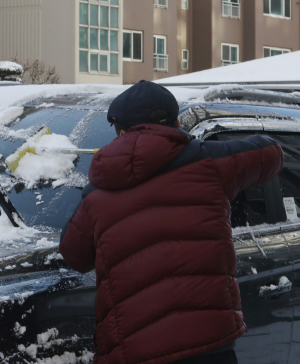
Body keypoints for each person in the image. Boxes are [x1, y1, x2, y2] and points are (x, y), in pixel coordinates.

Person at [59, 81, 284, 364]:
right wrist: (194, 146)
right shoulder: (209, 162)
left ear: (121, 132)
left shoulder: (97, 191)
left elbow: (73, 255)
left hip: (132, 351)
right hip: (208, 344)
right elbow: (272, 152)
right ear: (177, 123)